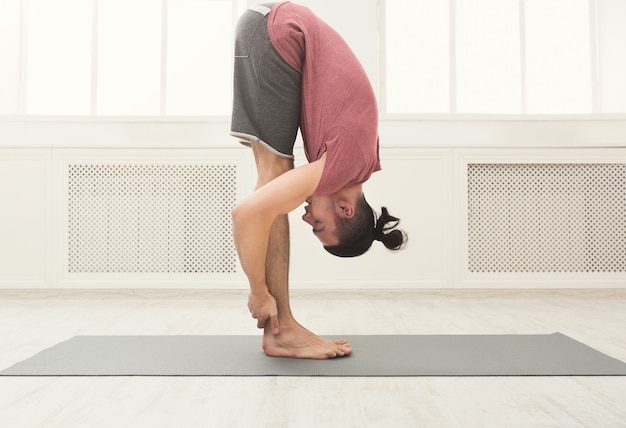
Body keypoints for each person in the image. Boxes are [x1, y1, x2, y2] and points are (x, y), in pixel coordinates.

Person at [230, 2, 407, 359]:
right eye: (319, 225)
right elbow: (245, 214)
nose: (307, 217)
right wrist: (257, 291)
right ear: (345, 208)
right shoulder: (343, 166)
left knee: (274, 185)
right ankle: (282, 330)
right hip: (273, 33)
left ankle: (283, 329)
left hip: (272, 32)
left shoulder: (362, 162)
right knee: (273, 181)